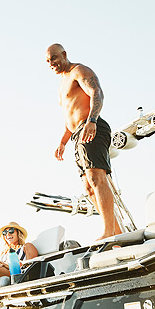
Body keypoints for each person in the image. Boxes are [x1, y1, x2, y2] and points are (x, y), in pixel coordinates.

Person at [46, 43, 120, 239]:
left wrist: (92, 120)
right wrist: (63, 141)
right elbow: (69, 116)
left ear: (64, 54)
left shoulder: (78, 71)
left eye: (54, 58)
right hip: (76, 134)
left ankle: (109, 231)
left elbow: (97, 93)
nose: (51, 63)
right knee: (88, 187)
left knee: (96, 177)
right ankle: (117, 233)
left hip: (91, 127)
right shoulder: (61, 85)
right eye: (48, 61)